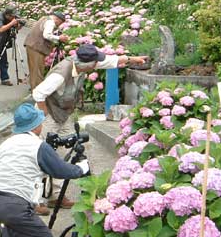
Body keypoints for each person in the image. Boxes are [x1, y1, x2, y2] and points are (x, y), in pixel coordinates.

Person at [32, 44, 147, 208]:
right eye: (95, 63)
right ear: (87, 64)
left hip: (64, 114)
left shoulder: (81, 64)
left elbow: (109, 61)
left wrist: (132, 59)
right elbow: (38, 93)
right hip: (49, 114)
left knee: (65, 153)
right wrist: (43, 116)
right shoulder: (61, 73)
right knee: (44, 155)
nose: (97, 65)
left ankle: (55, 196)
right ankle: (35, 201)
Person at [0, 103, 89, 237]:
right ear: (35, 126)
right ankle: (4, 230)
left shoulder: (4, 145)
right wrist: (81, 168)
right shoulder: (38, 146)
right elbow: (61, 170)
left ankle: (3, 230)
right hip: (15, 206)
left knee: (18, 228)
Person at [24, 11, 69, 91]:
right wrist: (59, 38)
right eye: (60, 23)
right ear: (58, 19)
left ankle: (34, 88)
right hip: (36, 47)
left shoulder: (44, 18)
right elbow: (46, 35)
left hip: (31, 45)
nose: (59, 25)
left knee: (34, 69)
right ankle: (37, 92)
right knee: (37, 71)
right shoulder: (50, 22)